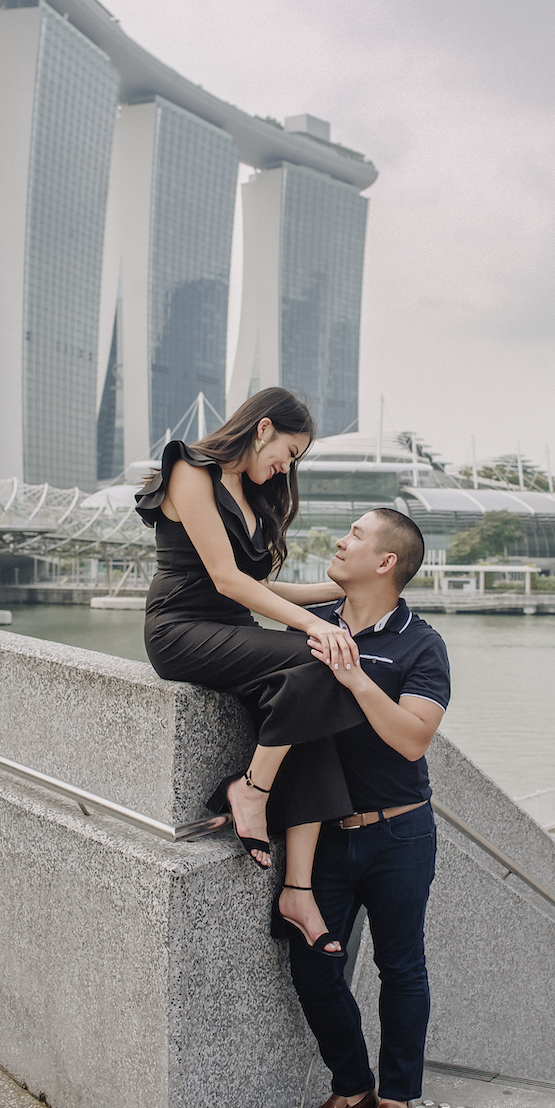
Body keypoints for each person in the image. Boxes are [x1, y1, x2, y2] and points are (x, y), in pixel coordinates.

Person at [135, 388, 365, 955]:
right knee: (318, 660)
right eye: (289, 451)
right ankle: (251, 790)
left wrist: (341, 591)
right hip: (181, 629)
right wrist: (317, 627)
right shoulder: (192, 469)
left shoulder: (253, 493)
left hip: (233, 631)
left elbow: (258, 588)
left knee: (314, 709)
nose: (288, 467)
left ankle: (297, 890)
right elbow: (225, 579)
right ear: (262, 429)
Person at [282, 508, 451, 1108]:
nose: (339, 541)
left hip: (400, 836)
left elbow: (413, 739)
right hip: (322, 836)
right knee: (311, 963)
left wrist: (353, 675)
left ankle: (397, 1100)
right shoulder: (314, 626)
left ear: (386, 562)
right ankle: (351, 1088)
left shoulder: (420, 643)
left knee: (401, 968)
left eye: (353, 535)